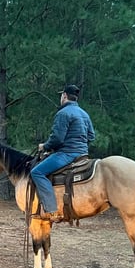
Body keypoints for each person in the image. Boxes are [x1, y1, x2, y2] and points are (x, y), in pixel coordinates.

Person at [30, 84, 95, 219]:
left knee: (36, 172)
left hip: (67, 154)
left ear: (64, 96)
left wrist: (44, 146)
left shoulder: (63, 113)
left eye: (61, 95)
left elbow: (57, 139)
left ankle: (51, 210)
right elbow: (91, 136)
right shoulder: (84, 114)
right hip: (83, 154)